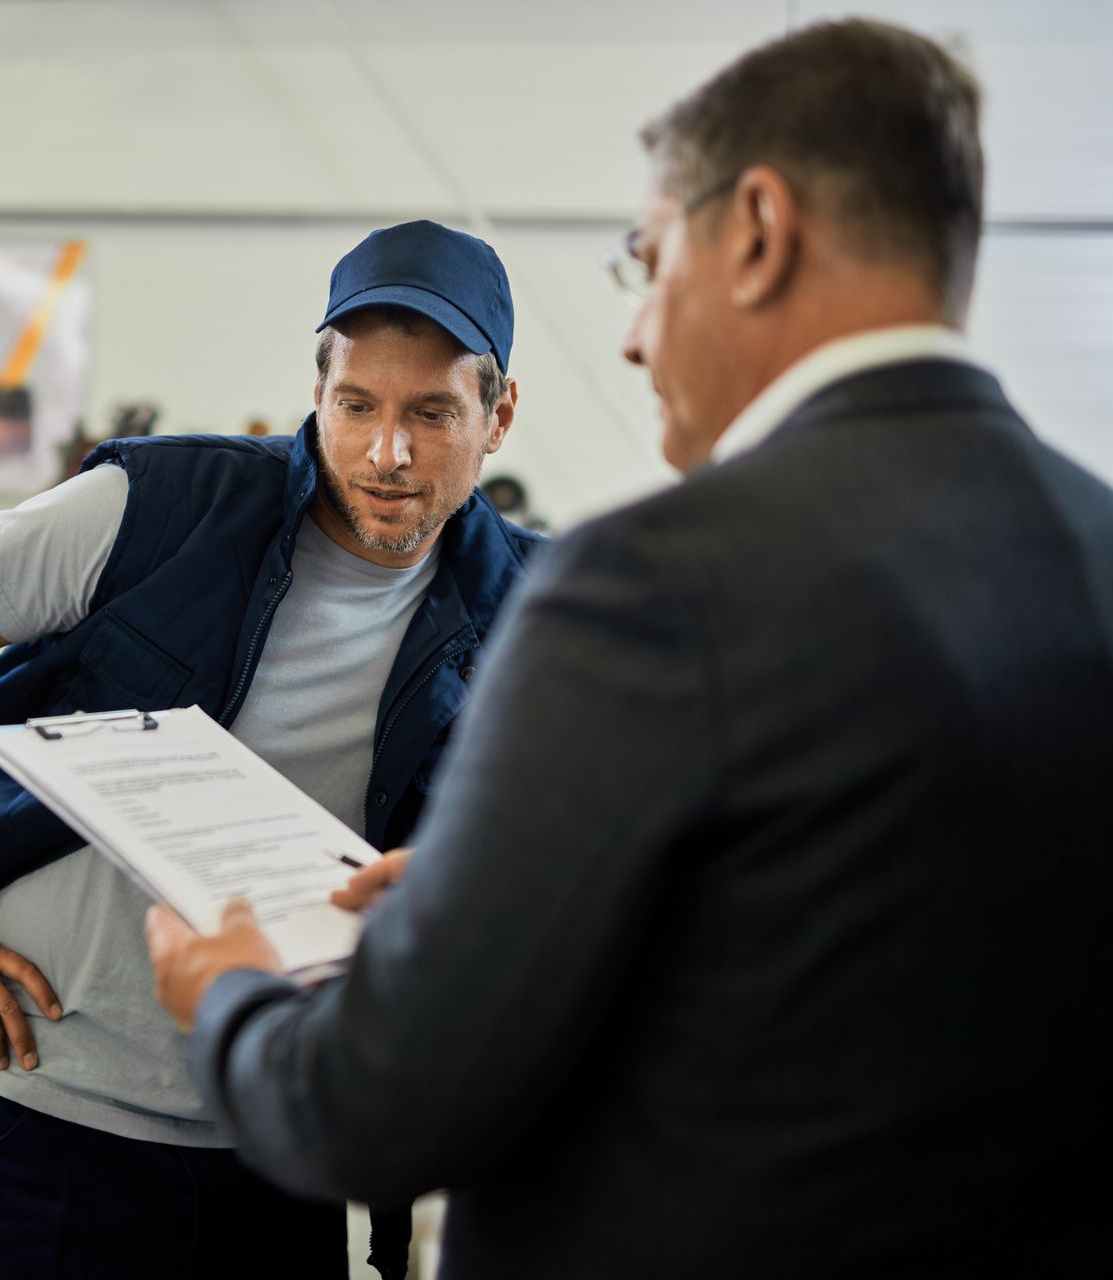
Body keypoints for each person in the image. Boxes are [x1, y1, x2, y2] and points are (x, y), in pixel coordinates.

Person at [147, 19, 1113, 1280]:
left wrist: (229, 990)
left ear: (757, 232)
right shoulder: (1092, 548)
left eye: (646, 262)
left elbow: (369, 1107)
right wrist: (505, 886)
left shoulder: (653, 580)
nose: (634, 336)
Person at [0, 220, 546, 1279]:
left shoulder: (538, 608)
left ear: (498, 413)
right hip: (40, 1113)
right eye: (358, 406)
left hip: (275, 1136)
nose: (388, 452)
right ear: (320, 392)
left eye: (432, 414)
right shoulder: (157, 507)